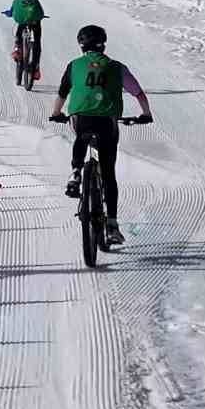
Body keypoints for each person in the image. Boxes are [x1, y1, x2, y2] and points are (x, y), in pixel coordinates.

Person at [47, 25, 153, 245]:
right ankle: (112, 225)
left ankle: (75, 172)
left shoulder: (74, 65)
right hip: (107, 121)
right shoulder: (117, 67)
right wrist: (146, 114)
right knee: (108, 174)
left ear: (81, 44)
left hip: (81, 117)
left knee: (81, 135)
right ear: (103, 44)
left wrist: (56, 113)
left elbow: (62, 93)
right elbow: (138, 92)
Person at [8, 0, 45, 69]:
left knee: (20, 28)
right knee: (37, 41)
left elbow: (11, 12)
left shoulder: (16, 0)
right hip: (35, 19)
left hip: (22, 19)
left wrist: (8, 13)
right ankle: (36, 67)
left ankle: (17, 48)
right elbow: (40, 10)